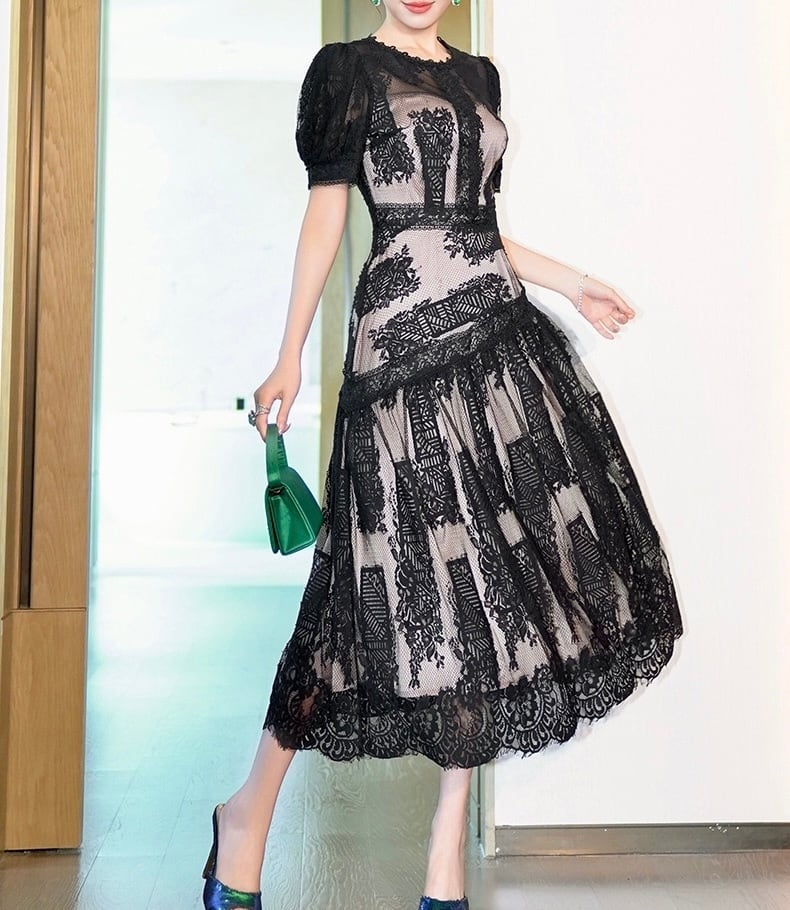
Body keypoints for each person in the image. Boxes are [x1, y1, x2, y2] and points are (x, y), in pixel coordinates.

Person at [201, 2, 684, 908]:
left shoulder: (479, 74)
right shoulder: (346, 70)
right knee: (355, 592)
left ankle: (444, 851)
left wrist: (575, 284)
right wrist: (289, 354)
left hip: (498, 342)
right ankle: (248, 814)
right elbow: (327, 217)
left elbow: (476, 227)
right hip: (400, 357)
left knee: (491, 588)